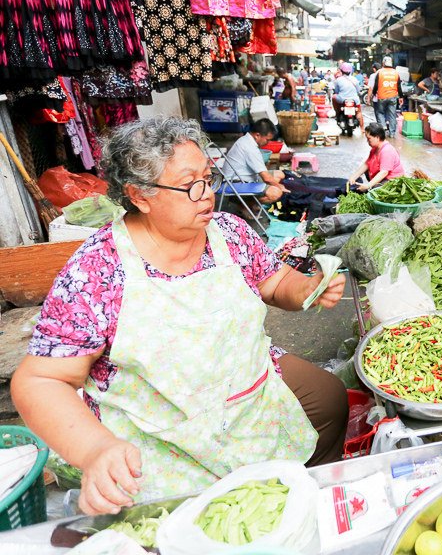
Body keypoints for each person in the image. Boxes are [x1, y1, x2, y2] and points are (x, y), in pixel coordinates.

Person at [11, 118, 348, 514]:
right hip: (157, 424)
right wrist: (96, 449)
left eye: (209, 177)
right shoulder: (98, 270)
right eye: (190, 185)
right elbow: (41, 381)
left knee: (328, 399)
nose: (207, 195)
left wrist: (305, 288)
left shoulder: (230, 232)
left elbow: (274, 283)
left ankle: (308, 501)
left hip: (244, 384)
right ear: (140, 195)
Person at [222, 119, 287, 204]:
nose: (267, 143)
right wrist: (280, 187)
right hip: (236, 183)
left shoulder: (246, 140)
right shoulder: (250, 148)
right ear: (257, 135)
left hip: (243, 177)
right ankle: (245, 204)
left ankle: (247, 203)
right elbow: (266, 178)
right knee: (276, 193)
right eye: (267, 140)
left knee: (279, 174)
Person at [347, 124, 404, 191]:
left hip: (392, 181)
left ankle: (372, 186)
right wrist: (354, 177)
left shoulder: (387, 151)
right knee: (367, 171)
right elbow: (367, 164)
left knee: (375, 190)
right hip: (383, 177)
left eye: (369, 139)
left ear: (377, 137)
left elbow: (384, 172)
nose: (367, 142)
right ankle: (372, 185)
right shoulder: (375, 149)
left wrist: (368, 185)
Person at [368, 56, 401, 137]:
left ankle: (383, 127)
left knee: (380, 113)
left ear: (383, 63)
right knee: (392, 115)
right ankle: (392, 133)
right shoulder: (396, 72)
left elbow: (376, 85)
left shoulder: (380, 72)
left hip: (382, 96)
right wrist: (401, 97)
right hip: (393, 96)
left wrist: (374, 94)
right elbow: (399, 86)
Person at [331, 62, 364, 129]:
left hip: (342, 99)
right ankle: (362, 129)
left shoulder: (338, 80)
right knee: (359, 112)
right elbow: (358, 91)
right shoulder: (355, 79)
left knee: (333, 97)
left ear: (341, 71)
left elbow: (336, 91)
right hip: (354, 100)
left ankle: (337, 112)